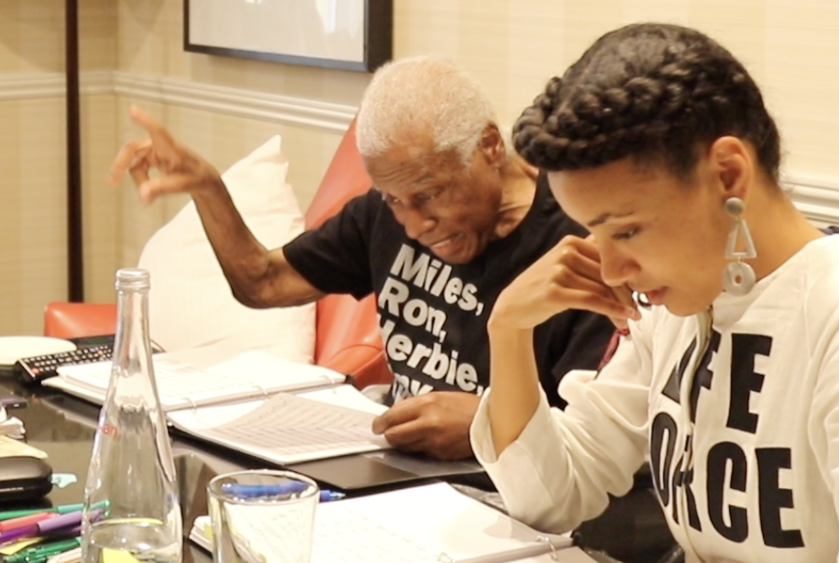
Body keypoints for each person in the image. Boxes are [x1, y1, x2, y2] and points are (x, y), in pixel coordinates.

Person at [472, 23, 839, 562]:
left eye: (627, 231)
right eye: (596, 233)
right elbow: (552, 498)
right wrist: (509, 328)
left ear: (728, 174)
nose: (610, 269)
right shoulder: (682, 303)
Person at [108, 56, 617, 462]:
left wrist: (488, 422)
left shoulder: (578, 243)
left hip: (511, 501)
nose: (413, 225)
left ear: (487, 145)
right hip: (398, 476)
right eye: (395, 200)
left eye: (429, 194)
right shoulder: (382, 214)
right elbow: (263, 284)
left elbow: (599, 439)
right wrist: (208, 189)